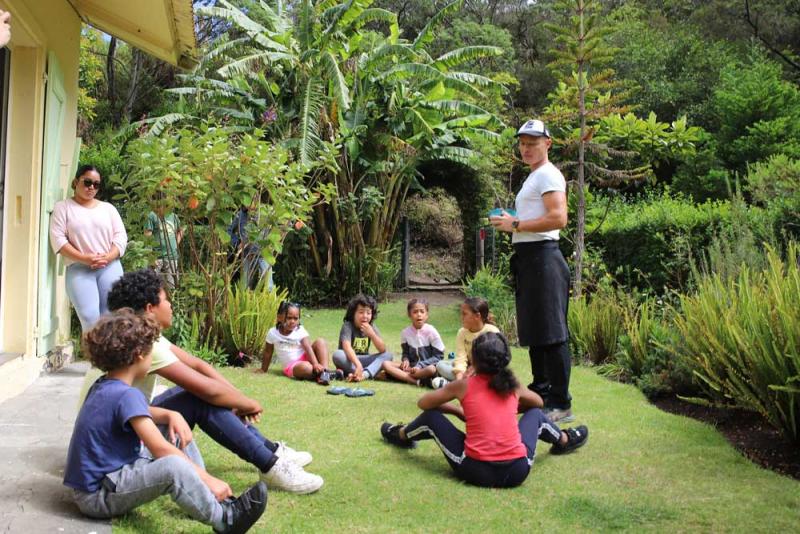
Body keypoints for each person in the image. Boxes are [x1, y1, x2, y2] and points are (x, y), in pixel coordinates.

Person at [101, 269, 324, 494]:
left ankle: (271, 452)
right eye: (166, 299)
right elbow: (206, 389)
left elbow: (199, 365)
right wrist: (246, 403)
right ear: (150, 309)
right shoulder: (148, 346)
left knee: (204, 395)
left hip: (134, 420)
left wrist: (236, 397)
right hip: (130, 440)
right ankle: (270, 465)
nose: (170, 305)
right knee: (200, 399)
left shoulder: (149, 337)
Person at [65, 309, 267, 533]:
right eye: (151, 351)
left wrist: (171, 414)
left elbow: (135, 412)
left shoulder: (107, 385)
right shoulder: (125, 395)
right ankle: (226, 520)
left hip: (104, 480)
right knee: (172, 466)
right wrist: (209, 478)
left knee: (170, 429)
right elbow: (160, 449)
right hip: (97, 496)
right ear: (140, 355)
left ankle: (205, 497)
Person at [380, 332, 588, 488]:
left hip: (475, 470)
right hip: (517, 470)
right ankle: (564, 440)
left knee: (431, 418)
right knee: (535, 415)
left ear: (475, 361)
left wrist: (456, 411)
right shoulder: (512, 384)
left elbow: (424, 404)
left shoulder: (464, 385)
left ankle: (400, 434)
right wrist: (510, 408)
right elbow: (537, 404)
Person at [489, 119, 574, 423]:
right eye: (523, 143)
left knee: (552, 333)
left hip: (544, 258)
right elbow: (532, 218)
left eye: (533, 143)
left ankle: (561, 402)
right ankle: (541, 394)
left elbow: (559, 218)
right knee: (537, 332)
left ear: (547, 144)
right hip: (529, 258)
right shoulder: (534, 177)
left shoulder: (549, 174)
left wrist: (516, 225)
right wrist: (511, 219)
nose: (526, 148)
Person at [50, 165, 127, 331]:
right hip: (79, 267)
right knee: (89, 317)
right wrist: (84, 258)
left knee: (111, 316)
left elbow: (120, 237)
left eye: (96, 184)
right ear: (76, 182)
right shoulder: (63, 208)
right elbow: (58, 240)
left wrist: (108, 257)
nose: (91, 187)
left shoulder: (108, 209)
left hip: (109, 266)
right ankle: (95, 356)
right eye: (87, 182)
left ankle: (110, 356)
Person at [260, 301, 341, 385]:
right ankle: (326, 374)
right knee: (305, 367)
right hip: (293, 366)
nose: (292, 321)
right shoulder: (273, 333)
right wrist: (263, 369)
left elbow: (308, 348)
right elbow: (267, 353)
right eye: (289, 318)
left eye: (296, 318)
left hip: (307, 358)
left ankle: (325, 373)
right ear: (279, 317)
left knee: (321, 342)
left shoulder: (299, 330)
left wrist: (315, 363)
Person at [380, 298, 445, 387]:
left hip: (426, 368)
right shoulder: (405, 333)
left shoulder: (432, 331)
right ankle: (416, 381)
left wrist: (420, 365)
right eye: (415, 312)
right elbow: (405, 353)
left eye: (422, 312)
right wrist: (405, 360)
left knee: (431, 369)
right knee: (385, 364)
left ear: (426, 315)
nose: (419, 315)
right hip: (411, 368)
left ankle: (402, 376)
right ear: (409, 314)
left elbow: (439, 357)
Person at [435, 297, 500, 385]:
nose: (461, 317)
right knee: (440, 365)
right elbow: (461, 358)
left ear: (477, 316)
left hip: (485, 370)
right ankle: (462, 384)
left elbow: (494, 360)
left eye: (464, 314)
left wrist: (474, 369)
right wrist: (459, 376)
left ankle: (451, 384)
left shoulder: (492, 331)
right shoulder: (462, 333)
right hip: (467, 368)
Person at [332, 294, 393, 381]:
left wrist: (372, 334)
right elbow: (346, 347)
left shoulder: (371, 326)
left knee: (388, 355)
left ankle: (364, 375)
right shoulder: (348, 326)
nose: (365, 316)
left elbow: (382, 349)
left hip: (364, 359)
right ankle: (368, 373)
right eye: (361, 312)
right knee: (337, 355)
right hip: (349, 360)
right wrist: (358, 364)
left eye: (368, 313)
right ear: (353, 313)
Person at [229, 203, 273, 290]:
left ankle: (272, 303)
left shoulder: (266, 212)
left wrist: (273, 242)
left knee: (268, 285)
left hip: (263, 254)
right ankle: (244, 302)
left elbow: (279, 227)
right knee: (245, 286)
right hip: (246, 255)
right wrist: (237, 243)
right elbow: (229, 231)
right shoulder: (240, 215)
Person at [144, 206, 183, 289]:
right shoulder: (152, 215)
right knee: (151, 286)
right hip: (156, 257)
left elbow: (180, 231)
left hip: (172, 257)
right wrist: (151, 257)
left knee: (172, 287)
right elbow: (147, 237)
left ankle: (171, 302)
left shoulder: (174, 216)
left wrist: (176, 244)